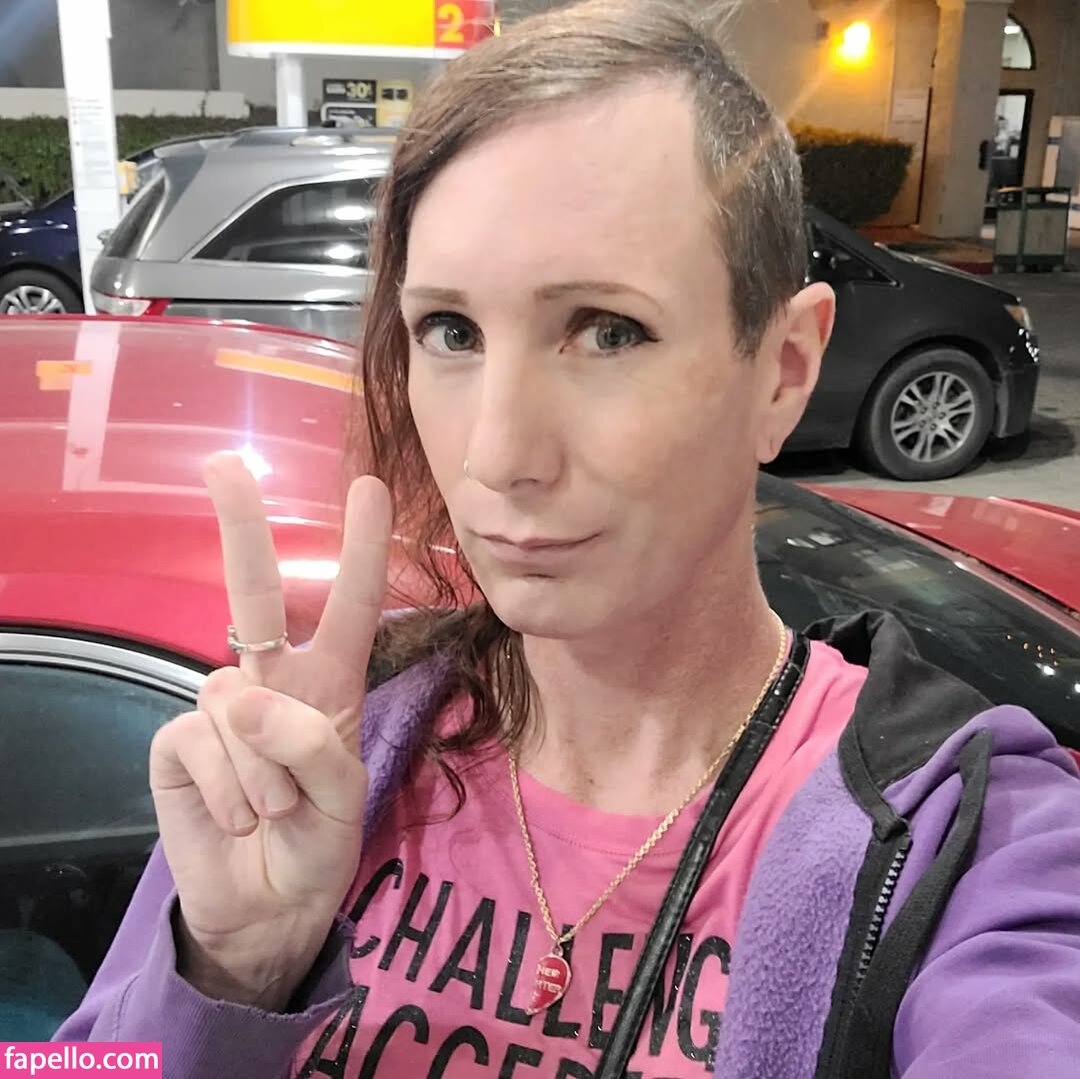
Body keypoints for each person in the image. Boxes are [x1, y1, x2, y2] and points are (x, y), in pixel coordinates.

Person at [56, 2, 1080, 1076]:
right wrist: (230, 969)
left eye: (607, 330)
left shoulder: (968, 840)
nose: (498, 454)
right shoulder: (319, 750)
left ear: (782, 371)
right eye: (451, 331)